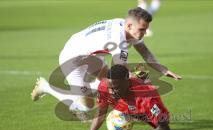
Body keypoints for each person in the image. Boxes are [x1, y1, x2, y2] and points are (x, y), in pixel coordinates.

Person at [31, 7, 181, 115]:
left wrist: (163, 70)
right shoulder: (119, 40)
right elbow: (120, 71)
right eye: (142, 29)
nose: (144, 33)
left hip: (91, 56)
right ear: (130, 25)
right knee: (86, 107)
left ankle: (103, 97)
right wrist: (142, 81)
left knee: (110, 85)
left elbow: (145, 52)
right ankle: (46, 87)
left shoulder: (125, 26)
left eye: (146, 29)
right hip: (72, 59)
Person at [82, 65, 170, 130]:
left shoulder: (146, 98)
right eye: (110, 88)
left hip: (141, 105)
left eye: (116, 88)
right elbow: (101, 111)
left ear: (127, 81)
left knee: (157, 124)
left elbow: (164, 128)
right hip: (126, 103)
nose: (112, 92)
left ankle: (142, 75)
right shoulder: (104, 86)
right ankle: (140, 73)